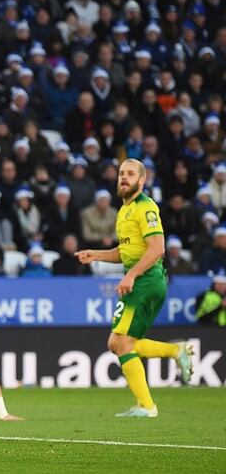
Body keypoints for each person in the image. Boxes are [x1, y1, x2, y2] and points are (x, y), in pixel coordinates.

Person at [75, 159, 193, 417]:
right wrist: (96, 255)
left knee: (118, 342)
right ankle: (176, 353)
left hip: (147, 280)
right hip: (145, 280)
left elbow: (157, 248)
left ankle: (148, 405)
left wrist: (131, 275)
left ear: (142, 180)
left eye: (130, 174)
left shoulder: (146, 207)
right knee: (124, 343)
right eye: (121, 174)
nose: (123, 178)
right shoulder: (124, 211)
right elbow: (125, 252)